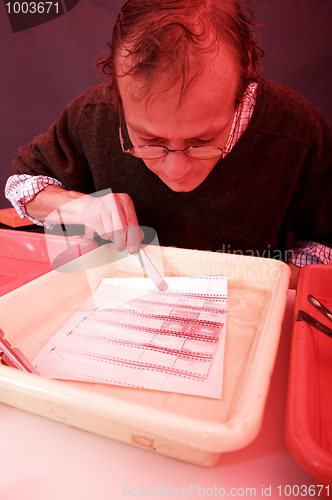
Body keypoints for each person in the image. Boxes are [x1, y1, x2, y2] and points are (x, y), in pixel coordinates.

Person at [5, 0, 332, 288]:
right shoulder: (92, 116)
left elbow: (324, 244)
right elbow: (24, 187)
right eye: (150, 140)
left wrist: (268, 277)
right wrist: (79, 207)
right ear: (117, 90)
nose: (176, 171)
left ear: (244, 80)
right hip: (121, 303)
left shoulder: (295, 131)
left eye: (202, 140)